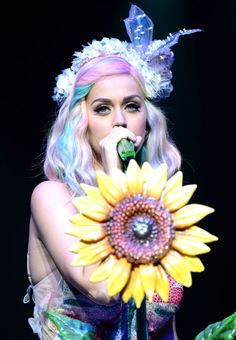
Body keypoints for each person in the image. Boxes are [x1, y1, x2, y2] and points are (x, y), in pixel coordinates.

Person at [24, 4, 201, 339]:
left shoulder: (161, 208)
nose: (120, 120)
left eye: (132, 106)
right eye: (102, 108)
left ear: (147, 124)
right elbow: (102, 288)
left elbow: (166, 328)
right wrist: (112, 176)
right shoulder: (51, 196)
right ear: (81, 123)